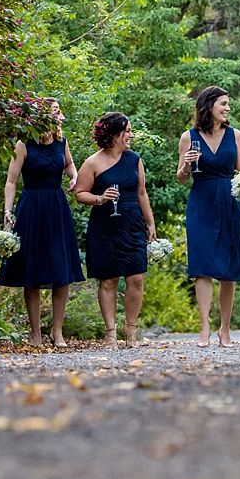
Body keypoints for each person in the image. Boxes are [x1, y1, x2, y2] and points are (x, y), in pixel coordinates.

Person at [0, 98, 85, 348]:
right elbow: (11, 181)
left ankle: (57, 332)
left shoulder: (62, 143)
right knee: (32, 270)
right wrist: (7, 210)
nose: (61, 116)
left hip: (57, 207)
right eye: (56, 112)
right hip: (31, 208)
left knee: (62, 269)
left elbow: (69, 165)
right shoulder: (23, 144)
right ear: (42, 116)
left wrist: (75, 178)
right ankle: (35, 333)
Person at [177, 86, 240, 348]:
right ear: (208, 105)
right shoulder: (188, 137)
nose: (227, 108)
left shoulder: (236, 136)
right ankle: (204, 329)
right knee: (203, 266)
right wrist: (186, 164)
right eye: (223, 103)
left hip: (229, 202)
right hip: (201, 202)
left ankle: (225, 329)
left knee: (228, 269)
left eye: (227, 104)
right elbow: (181, 178)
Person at [74, 112, 157, 349]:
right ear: (113, 134)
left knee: (137, 278)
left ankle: (131, 333)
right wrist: (100, 198)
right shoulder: (93, 162)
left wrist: (150, 223)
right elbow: (80, 193)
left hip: (132, 223)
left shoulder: (134, 159)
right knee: (108, 280)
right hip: (105, 226)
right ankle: (110, 333)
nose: (131, 135)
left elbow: (142, 193)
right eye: (127, 131)